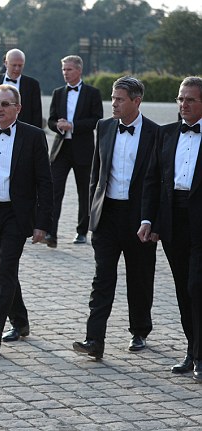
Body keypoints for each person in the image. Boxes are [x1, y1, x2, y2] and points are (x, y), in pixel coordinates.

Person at [72, 76, 158, 360]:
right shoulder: (104, 126)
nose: (114, 103)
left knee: (140, 277)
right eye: (113, 98)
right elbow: (95, 174)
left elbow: (157, 181)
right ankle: (94, 339)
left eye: (120, 99)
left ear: (136, 101)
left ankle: (139, 331)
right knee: (102, 279)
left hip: (139, 218)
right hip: (107, 216)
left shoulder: (155, 133)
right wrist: (92, 214)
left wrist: (151, 220)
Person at [0, 84, 53, 355]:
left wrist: (42, 223)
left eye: (5, 104)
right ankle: (20, 320)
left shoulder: (34, 136)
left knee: (5, 271)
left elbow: (45, 182)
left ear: (18, 108)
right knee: (3, 271)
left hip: (17, 214)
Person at [138, 76, 202, 382]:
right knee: (182, 289)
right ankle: (192, 350)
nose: (183, 104)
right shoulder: (165, 134)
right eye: (180, 99)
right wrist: (147, 220)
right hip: (173, 220)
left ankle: (200, 354)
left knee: (196, 286)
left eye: (190, 99)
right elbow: (152, 180)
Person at [46, 55, 103, 248]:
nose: (65, 73)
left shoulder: (92, 93)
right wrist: (58, 125)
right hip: (60, 150)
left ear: (79, 70)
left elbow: (97, 120)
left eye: (69, 69)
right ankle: (50, 232)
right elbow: (51, 120)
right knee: (54, 191)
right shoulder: (58, 93)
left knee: (84, 192)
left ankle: (82, 231)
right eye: (63, 69)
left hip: (83, 149)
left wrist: (73, 125)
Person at [0, 49, 43, 130]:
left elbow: (37, 114)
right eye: (14, 65)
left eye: (20, 65)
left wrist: (36, 136)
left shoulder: (32, 85)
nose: (17, 69)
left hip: (23, 133)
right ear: (6, 63)